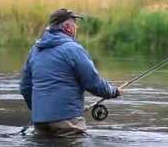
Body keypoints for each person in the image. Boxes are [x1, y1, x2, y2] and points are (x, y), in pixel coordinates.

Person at [20, 8, 122, 138]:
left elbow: (25, 88)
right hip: (67, 123)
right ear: (67, 27)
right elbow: (93, 82)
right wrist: (113, 92)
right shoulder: (73, 49)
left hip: (40, 122)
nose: (77, 27)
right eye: (75, 24)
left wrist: (40, 110)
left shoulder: (34, 51)